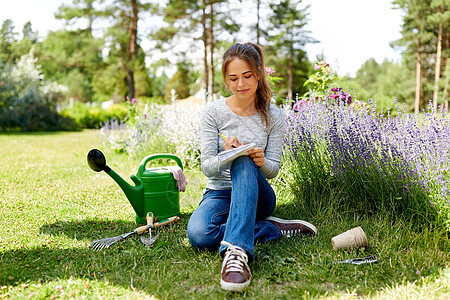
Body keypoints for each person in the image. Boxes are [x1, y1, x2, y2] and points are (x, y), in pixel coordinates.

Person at [187, 42, 317, 292]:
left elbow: (273, 169)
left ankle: (236, 253)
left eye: (247, 76)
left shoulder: (275, 116)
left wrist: (259, 161)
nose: (241, 84)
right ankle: (269, 228)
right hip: (219, 193)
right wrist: (227, 154)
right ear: (226, 79)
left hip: (258, 195)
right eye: (233, 78)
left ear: (258, 74)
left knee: (244, 159)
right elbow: (207, 168)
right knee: (199, 234)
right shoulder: (213, 113)